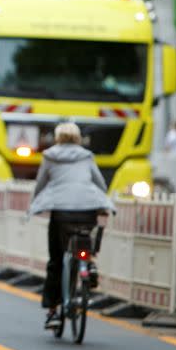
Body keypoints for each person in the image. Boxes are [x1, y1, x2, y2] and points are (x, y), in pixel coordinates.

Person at [28, 122, 114, 329]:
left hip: (62, 213)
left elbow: (40, 184)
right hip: (87, 209)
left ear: (57, 138)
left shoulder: (50, 156)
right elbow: (101, 185)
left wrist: (35, 204)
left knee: (56, 260)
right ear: (77, 138)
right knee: (85, 241)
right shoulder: (87, 156)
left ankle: (53, 311)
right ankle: (89, 264)